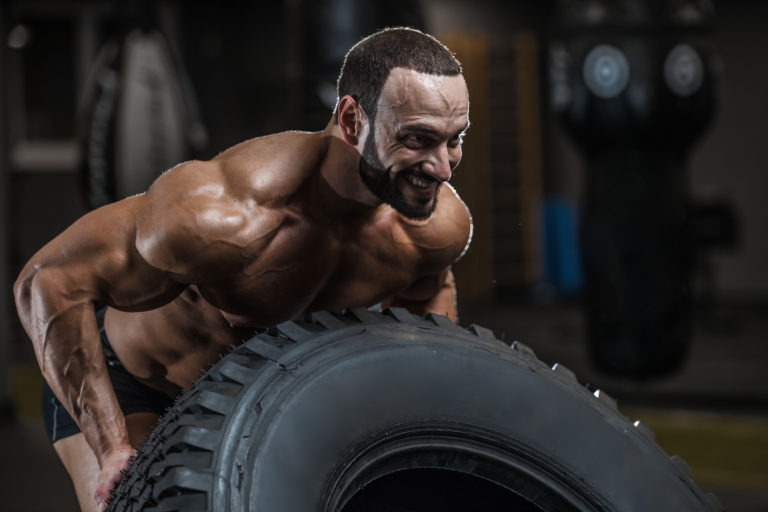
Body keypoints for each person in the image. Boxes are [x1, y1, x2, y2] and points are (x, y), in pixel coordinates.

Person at [14, 27, 471, 511]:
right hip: (137, 387)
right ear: (353, 119)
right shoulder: (227, 216)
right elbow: (49, 281)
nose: (442, 167)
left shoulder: (431, 230)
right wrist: (111, 447)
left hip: (262, 405)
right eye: (418, 140)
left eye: (453, 140)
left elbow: (426, 294)